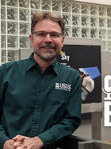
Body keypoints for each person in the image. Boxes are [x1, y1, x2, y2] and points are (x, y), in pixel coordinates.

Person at [0, 12, 82, 149]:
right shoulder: (6, 72)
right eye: (41, 34)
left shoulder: (72, 78)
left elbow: (71, 120)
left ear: (62, 40)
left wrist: (40, 140)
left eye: (54, 35)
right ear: (31, 39)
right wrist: (4, 142)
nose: (48, 39)